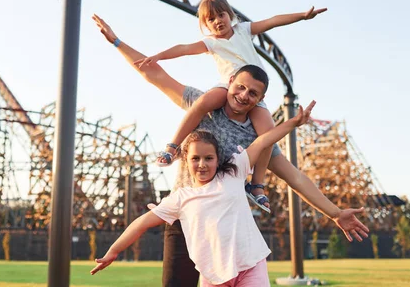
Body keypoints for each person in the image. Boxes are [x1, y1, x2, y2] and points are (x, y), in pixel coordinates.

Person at [92, 14, 369, 287]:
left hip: (228, 233)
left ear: (260, 100)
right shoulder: (203, 104)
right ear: (230, 81)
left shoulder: (255, 136)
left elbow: (294, 177)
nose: (243, 96)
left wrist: (335, 213)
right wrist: (117, 42)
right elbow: (154, 74)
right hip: (184, 218)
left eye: (252, 94)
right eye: (240, 87)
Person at [133, 0, 327, 213]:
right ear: (205, 25)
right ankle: (172, 146)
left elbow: (272, 21)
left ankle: (257, 186)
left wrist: (301, 16)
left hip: (252, 89)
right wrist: (159, 56)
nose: (217, 21)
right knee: (202, 103)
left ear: (230, 15)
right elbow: (184, 48)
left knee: (268, 137)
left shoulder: (244, 30)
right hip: (229, 87)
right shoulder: (211, 43)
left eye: (221, 15)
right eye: (210, 19)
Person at [91, 101, 318, 286]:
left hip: (249, 265)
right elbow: (141, 223)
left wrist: (294, 123)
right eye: (195, 158)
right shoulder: (180, 199)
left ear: (218, 159)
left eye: (208, 158)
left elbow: (264, 140)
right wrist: (113, 250)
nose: (202, 164)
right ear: (186, 160)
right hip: (213, 275)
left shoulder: (234, 172)